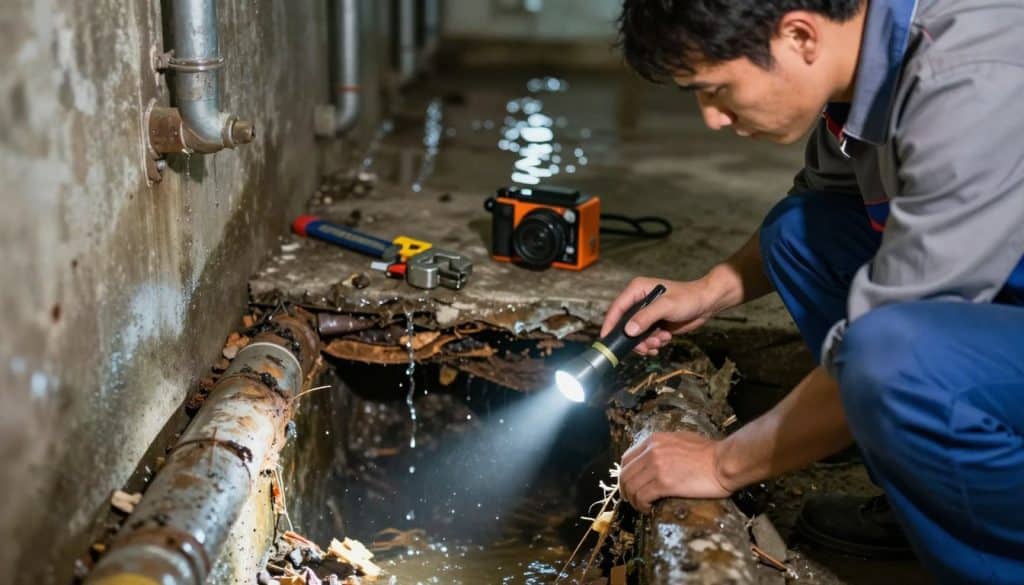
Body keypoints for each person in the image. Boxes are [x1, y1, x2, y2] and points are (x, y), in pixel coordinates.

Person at [604, 0, 1024, 582]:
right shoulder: (861, 69)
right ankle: (931, 493)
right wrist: (708, 291)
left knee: (894, 360)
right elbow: (830, 199)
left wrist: (721, 465)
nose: (713, 118)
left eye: (715, 89)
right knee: (800, 230)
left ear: (799, 35)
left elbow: (891, 333)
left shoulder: (971, 77)